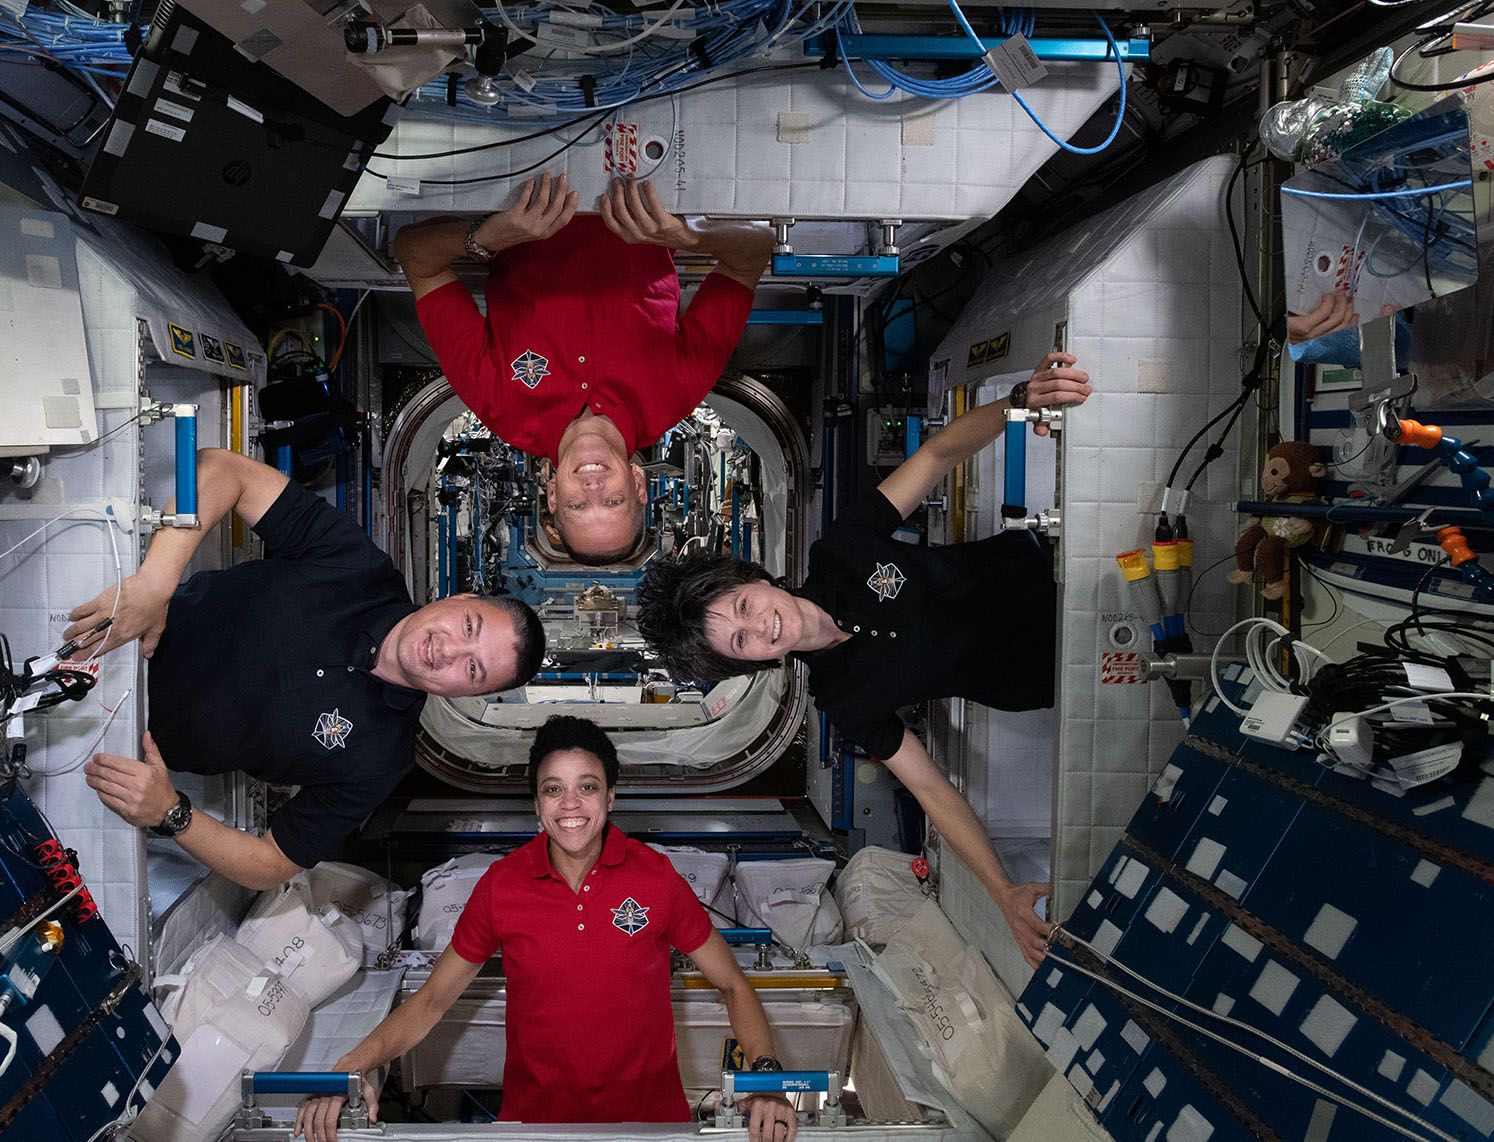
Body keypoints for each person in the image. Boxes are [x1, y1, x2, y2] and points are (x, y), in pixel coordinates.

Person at [635, 356, 1094, 968]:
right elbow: (932, 790)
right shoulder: (846, 701)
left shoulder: (842, 549)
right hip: (1058, 672)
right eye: (741, 642)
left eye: (744, 606)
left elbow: (935, 459)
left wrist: (1017, 398)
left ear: (755, 577)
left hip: (1063, 574)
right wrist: (1003, 893)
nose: (761, 626)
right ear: (749, 665)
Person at [294, 716, 799, 1142]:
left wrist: (767, 1078)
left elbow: (733, 984)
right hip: (535, 1125)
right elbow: (431, 1002)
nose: (571, 804)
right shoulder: (502, 886)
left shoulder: (656, 878)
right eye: (553, 789)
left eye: (587, 787)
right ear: (538, 806)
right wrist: (353, 1064)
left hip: (650, 1125)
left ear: (611, 798)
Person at [62, 448, 545, 889]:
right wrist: (155, 583)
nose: (449, 651)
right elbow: (222, 471)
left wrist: (171, 812)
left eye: (474, 670)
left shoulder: (381, 759)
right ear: (459, 598)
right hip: (110, 624)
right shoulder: (356, 566)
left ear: (463, 695)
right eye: (468, 626)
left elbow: (272, 864)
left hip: (105, 746)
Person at [392, 173, 775, 564]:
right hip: (636, 171)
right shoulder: (677, 391)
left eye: (578, 506)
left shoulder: (497, 401)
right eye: (613, 501)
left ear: (553, 494)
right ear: (639, 484)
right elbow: (756, 249)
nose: (593, 486)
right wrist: (687, 233)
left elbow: (414, 254)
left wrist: (486, 237)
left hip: (526, 175)